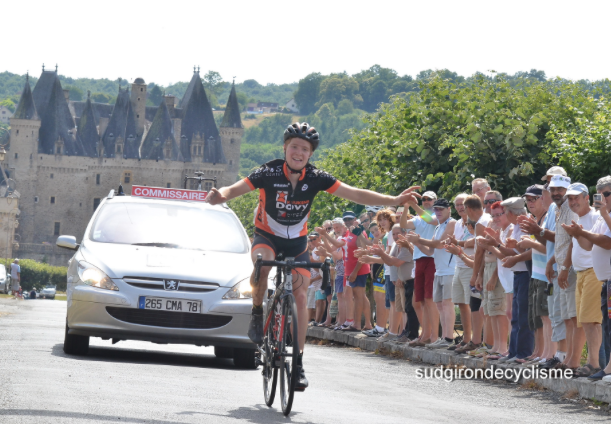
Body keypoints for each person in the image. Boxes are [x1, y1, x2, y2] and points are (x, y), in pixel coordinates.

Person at [205, 122, 419, 389]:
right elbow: (234, 190)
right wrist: (219, 195)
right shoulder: (268, 172)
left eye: (304, 149)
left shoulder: (317, 177)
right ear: (285, 148)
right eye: (294, 146)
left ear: (310, 154)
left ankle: (299, 363)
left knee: (302, 294)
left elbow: (355, 193)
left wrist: (394, 200)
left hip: (296, 241)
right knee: (261, 266)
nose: (298, 152)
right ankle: (258, 311)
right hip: (267, 235)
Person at [519, 167, 569, 369]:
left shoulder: (566, 208)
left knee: (565, 317)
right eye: (549, 184)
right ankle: (557, 355)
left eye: (557, 185)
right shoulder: (554, 211)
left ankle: (564, 357)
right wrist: (550, 261)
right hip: (552, 268)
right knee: (554, 315)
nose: (552, 189)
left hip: (564, 269)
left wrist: (537, 233)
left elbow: (565, 239)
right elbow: (554, 242)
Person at [562, 176, 611, 380]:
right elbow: (588, 245)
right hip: (596, 276)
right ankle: (603, 366)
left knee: (592, 322)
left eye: (607, 193)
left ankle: (595, 363)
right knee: (593, 322)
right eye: (603, 194)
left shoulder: (598, 214)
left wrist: (581, 232)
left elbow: (607, 243)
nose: (605, 198)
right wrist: (577, 233)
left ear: (586, 197)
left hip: (594, 274)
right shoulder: (599, 216)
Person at [406, 198, 456, 349]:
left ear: (449, 209)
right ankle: (443, 337)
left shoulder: (452, 223)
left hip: (449, 269)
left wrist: (419, 239)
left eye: (441, 208)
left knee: (446, 304)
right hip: (439, 270)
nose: (438, 211)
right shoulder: (437, 227)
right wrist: (416, 242)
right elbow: (429, 251)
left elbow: (440, 244)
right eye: (436, 209)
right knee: (440, 305)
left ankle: (447, 338)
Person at [401, 192, 439, 347]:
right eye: (423, 199)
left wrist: (414, 205)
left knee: (429, 300)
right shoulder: (417, 217)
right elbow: (403, 224)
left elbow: (430, 220)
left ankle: (433, 336)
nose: (426, 202)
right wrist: (405, 206)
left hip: (431, 258)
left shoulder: (437, 216)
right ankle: (425, 334)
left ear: (435, 201)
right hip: (419, 258)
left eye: (429, 199)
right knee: (419, 301)